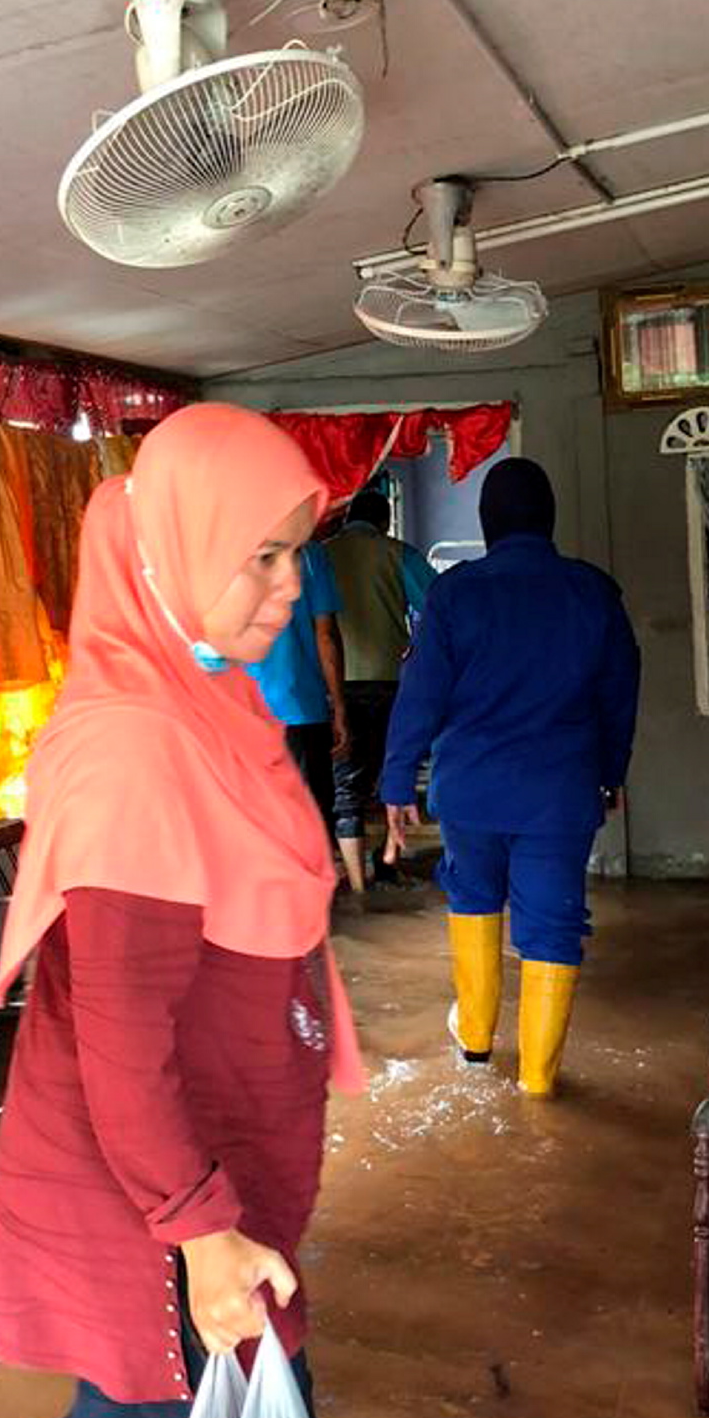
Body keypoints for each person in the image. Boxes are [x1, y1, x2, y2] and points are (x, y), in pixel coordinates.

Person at [0, 403, 362, 1418]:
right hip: (159, 1188)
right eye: (264, 557)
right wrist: (200, 1232)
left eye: (299, 553)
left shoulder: (205, 698)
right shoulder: (132, 747)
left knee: (127, 1411)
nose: (292, 585)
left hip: (190, 1162)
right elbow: (121, 1039)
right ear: (171, 554)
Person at [381, 456, 640, 1099]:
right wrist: (610, 775)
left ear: (486, 522)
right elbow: (618, 697)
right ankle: (538, 1085)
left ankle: (473, 1049)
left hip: (469, 790)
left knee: (472, 901)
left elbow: (421, 695)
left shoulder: (455, 593)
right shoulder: (593, 593)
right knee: (552, 925)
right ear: (548, 520)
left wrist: (394, 782)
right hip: (560, 793)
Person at [325, 486, 435, 894]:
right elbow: (436, 607)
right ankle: (389, 865)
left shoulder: (322, 554)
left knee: (345, 783)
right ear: (385, 520)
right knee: (394, 774)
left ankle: (356, 889)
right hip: (390, 681)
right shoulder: (398, 553)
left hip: (334, 684)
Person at [252, 536, 348, 832]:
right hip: (300, 705)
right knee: (310, 816)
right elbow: (325, 637)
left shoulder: (229, 551)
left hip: (244, 707)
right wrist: (339, 706)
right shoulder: (308, 555)